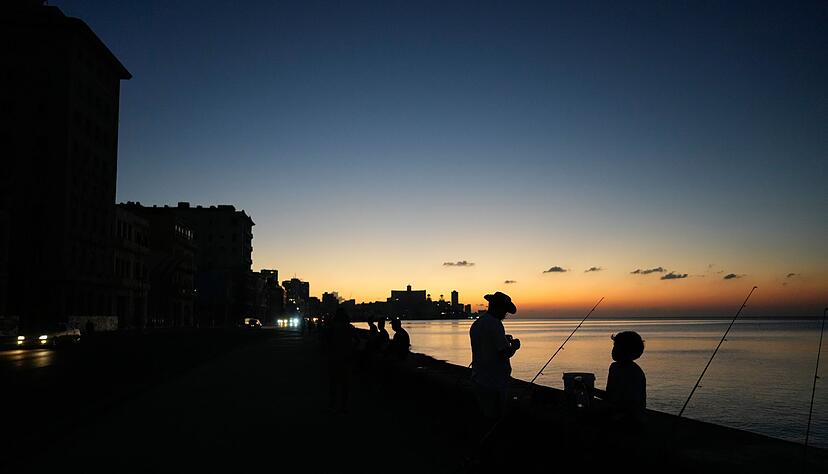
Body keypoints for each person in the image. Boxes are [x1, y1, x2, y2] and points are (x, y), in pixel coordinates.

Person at [469, 292, 520, 420]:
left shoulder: (477, 324)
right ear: (499, 308)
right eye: (505, 311)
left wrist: (503, 339)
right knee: (496, 418)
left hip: (478, 377)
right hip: (494, 382)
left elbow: (486, 345)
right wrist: (514, 346)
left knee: (484, 416)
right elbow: (503, 354)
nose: (505, 315)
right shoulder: (495, 324)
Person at [595, 331, 647, 426]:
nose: (613, 350)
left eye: (617, 347)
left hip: (631, 421)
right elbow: (610, 395)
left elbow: (628, 404)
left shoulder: (634, 373)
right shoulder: (614, 367)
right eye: (614, 346)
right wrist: (588, 389)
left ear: (627, 351)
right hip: (616, 414)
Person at [326, 308, 358, 414]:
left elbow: (327, 341)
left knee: (333, 383)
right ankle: (344, 406)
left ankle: (333, 405)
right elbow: (357, 340)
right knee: (345, 384)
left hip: (334, 357)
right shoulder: (350, 328)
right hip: (346, 357)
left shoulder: (332, 328)